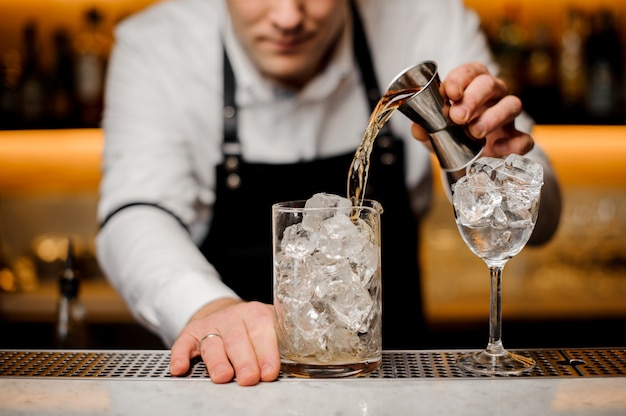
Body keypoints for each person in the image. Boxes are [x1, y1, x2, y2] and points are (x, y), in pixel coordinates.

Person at [96, 0, 562, 386]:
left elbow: (544, 224)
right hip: (229, 386)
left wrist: (494, 164)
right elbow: (134, 211)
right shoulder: (156, 45)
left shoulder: (425, 18)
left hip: (395, 382)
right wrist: (208, 305)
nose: (287, 17)